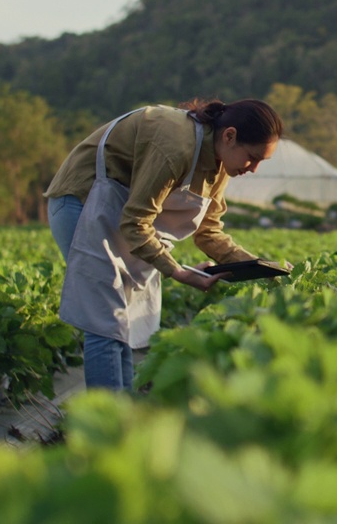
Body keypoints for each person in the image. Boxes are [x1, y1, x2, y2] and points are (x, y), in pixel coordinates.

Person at [44, 98, 282, 391]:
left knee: (124, 322)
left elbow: (208, 232)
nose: (254, 168)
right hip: (81, 201)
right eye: (252, 157)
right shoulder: (176, 145)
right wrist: (178, 272)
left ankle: (122, 413)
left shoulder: (219, 165)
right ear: (229, 136)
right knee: (104, 320)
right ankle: (110, 425)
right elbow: (135, 222)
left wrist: (265, 268)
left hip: (119, 212)